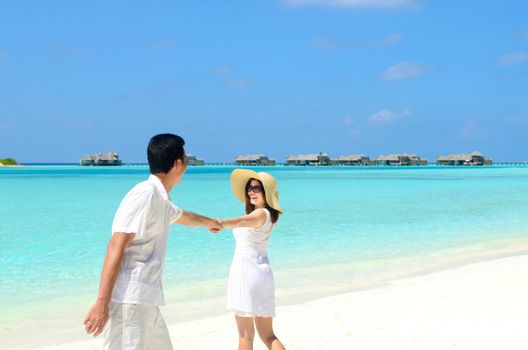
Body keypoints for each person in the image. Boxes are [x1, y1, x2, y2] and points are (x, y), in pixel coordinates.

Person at [83, 133, 221, 350]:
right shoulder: (144, 194)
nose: (186, 164)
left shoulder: (160, 199)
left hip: (147, 300)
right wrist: (102, 302)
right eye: (185, 160)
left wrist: (210, 222)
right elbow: (116, 245)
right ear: (177, 164)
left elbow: (184, 216)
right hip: (131, 301)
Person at [219, 169, 285, 350]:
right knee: (268, 335)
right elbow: (244, 221)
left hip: (246, 275)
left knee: (245, 336)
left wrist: (221, 223)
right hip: (263, 274)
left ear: (267, 192)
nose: (251, 192)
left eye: (257, 188)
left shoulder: (261, 214)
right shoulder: (269, 215)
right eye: (249, 188)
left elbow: (240, 221)